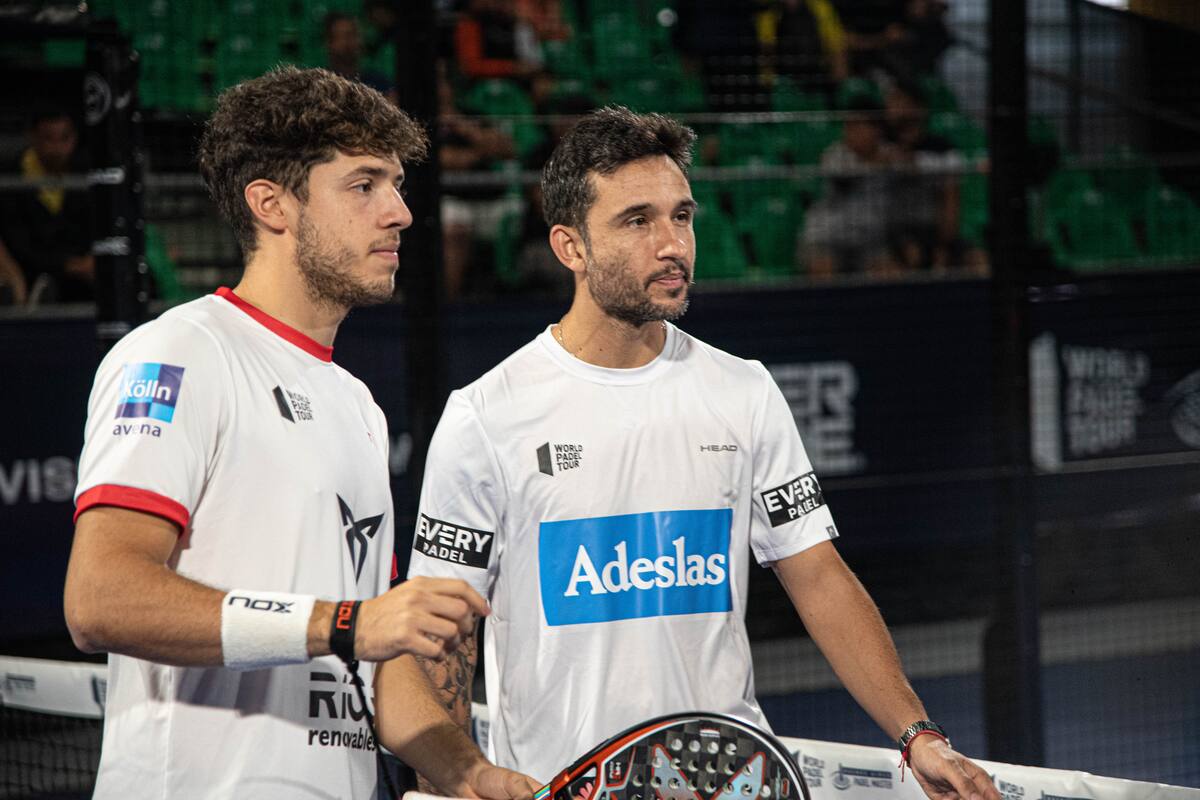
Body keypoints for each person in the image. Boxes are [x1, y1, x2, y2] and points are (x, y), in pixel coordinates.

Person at [382, 105, 1002, 800]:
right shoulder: (487, 416)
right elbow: (441, 634)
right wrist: (451, 778)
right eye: (637, 220)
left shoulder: (744, 391)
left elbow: (819, 577)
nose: (673, 243)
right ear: (570, 247)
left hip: (728, 783)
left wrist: (918, 735)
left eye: (682, 215)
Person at [63, 66, 538, 800]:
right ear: (272, 205)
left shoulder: (357, 406)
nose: (401, 212)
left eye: (397, 185)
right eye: (364, 185)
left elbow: (379, 664)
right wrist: (347, 624)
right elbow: (100, 598)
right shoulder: (180, 353)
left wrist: (464, 771)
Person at [0, 108, 93, 302]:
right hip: (30, 272)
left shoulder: (86, 173)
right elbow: (18, 244)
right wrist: (66, 266)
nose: (57, 148)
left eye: (64, 138)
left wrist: (89, 262)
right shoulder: (11, 177)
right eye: (48, 138)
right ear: (32, 137)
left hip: (83, 273)